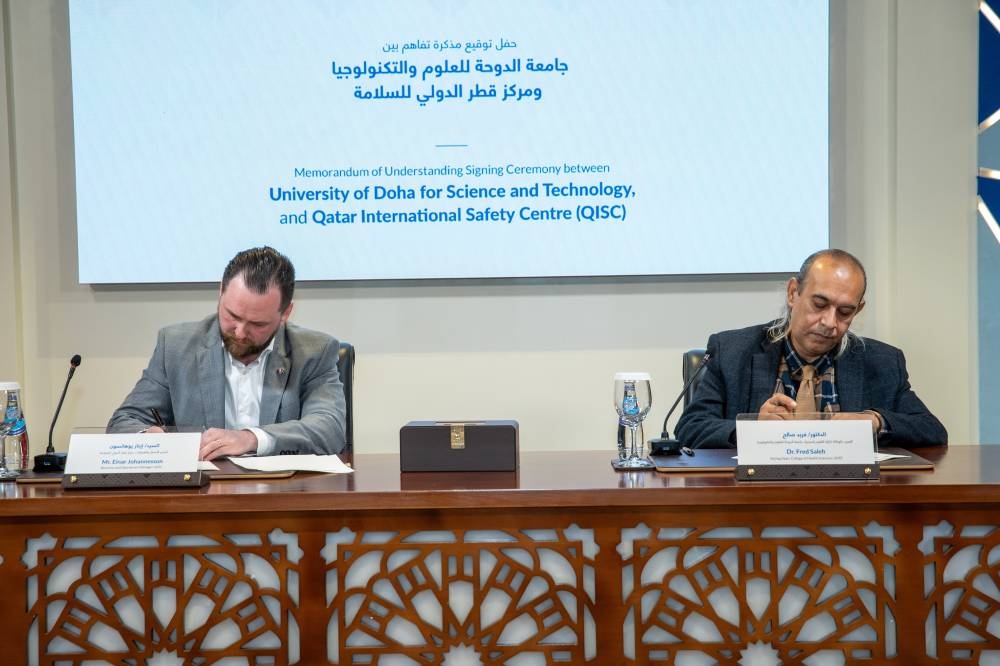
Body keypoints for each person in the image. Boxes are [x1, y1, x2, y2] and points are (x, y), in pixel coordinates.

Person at [675, 249, 947, 448]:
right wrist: (752, 429)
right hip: (754, 503)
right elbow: (690, 428)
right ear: (793, 293)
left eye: (844, 312)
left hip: (848, 507)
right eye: (819, 304)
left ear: (858, 310)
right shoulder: (733, 351)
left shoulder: (882, 362)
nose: (829, 323)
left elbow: (932, 430)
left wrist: (876, 422)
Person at [108, 246, 348, 459]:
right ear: (221, 291)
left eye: (258, 324)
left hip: (283, 496)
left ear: (285, 313)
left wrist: (251, 439)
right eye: (232, 315)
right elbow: (123, 422)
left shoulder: (315, 351)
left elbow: (329, 429)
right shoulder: (175, 347)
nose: (241, 332)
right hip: (203, 497)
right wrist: (149, 437)